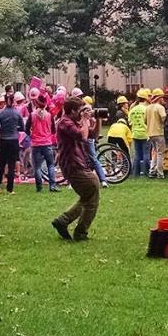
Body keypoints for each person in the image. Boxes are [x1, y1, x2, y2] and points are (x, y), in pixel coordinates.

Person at [52, 97, 101, 241]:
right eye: (80, 111)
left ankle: (63, 221)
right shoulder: (65, 122)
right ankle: (80, 232)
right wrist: (85, 120)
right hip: (73, 164)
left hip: (79, 163)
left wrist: (98, 120)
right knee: (92, 192)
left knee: (89, 197)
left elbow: (93, 135)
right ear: (72, 111)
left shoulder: (73, 122)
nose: (82, 113)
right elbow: (82, 136)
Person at [0, 91, 24, 194]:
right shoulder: (17, 113)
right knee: (11, 164)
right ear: (13, 100)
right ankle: (10, 189)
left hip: (2, 140)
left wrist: (0, 130)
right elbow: (22, 127)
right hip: (13, 140)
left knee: (1, 163)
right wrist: (15, 129)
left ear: (5, 101)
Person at [27, 88, 59, 192]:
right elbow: (54, 130)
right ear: (45, 104)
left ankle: (39, 187)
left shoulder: (32, 115)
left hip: (36, 143)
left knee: (37, 166)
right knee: (50, 164)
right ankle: (52, 185)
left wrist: (31, 134)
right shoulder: (49, 115)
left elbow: (26, 128)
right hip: (47, 143)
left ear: (36, 104)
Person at [82, 97, 108, 188]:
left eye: (90, 110)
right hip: (87, 139)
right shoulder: (85, 118)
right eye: (87, 110)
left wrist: (98, 119)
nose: (90, 112)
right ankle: (101, 179)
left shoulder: (91, 119)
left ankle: (103, 180)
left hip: (88, 140)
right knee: (91, 160)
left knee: (92, 159)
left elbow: (94, 133)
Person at [129, 89, 150, 177]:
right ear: (146, 98)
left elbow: (130, 122)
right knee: (146, 154)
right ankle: (146, 172)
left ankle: (135, 173)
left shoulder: (132, 109)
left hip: (135, 133)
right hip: (145, 133)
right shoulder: (146, 109)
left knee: (137, 154)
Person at [145, 90, 167, 179]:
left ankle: (152, 171)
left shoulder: (148, 108)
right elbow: (164, 118)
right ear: (159, 98)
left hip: (150, 133)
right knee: (160, 153)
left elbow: (145, 120)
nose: (163, 100)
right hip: (159, 133)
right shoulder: (160, 107)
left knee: (154, 152)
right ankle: (160, 173)